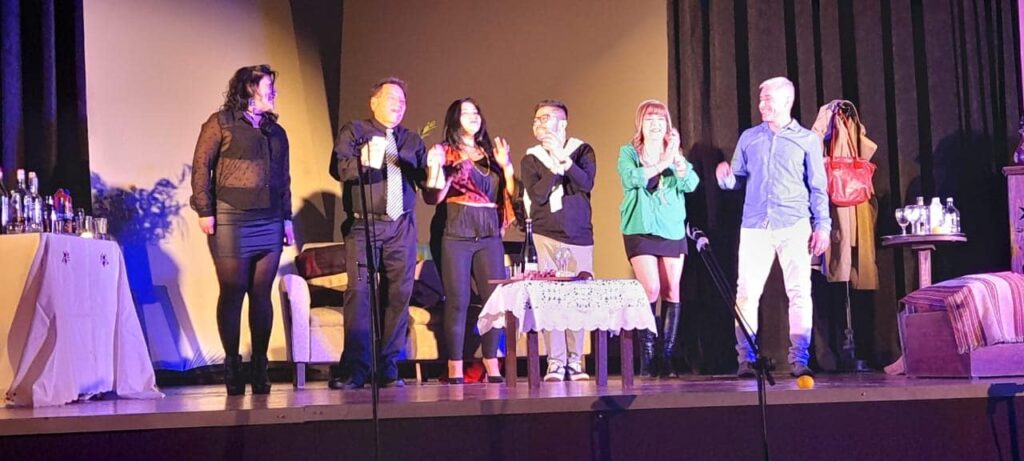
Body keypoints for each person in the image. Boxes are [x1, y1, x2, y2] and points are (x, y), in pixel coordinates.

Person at [715, 76, 831, 378]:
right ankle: (746, 359)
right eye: (760, 98)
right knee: (746, 293)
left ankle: (799, 359)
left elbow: (818, 187)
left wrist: (823, 226)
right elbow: (736, 179)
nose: (761, 104)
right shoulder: (750, 137)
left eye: (768, 99)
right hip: (755, 224)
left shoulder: (806, 140)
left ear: (787, 101)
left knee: (799, 291)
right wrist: (725, 178)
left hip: (794, 223)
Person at [190, 64, 294, 396]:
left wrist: (287, 219)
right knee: (233, 291)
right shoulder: (220, 123)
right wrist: (205, 210)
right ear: (249, 88)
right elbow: (201, 168)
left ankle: (260, 366)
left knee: (261, 293)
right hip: (231, 217)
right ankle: (232, 366)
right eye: (268, 87)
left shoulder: (276, 132)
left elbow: (283, 178)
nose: (274, 93)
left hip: (270, 218)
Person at [328, 77, 428, 389]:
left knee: (398, 294)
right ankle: (356, 369)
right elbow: (338, 169)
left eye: (402, 100)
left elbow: (426, 183)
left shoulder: (411, 140)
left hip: (402, 225)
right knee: (360, 293)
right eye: (391, 98)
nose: (398, 105)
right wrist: (363, 160)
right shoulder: (355, 131)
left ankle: (388, 367)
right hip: (364, 225)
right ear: (374, 102)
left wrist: (437, 170)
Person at [424, 98, 514, 384]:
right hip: (457, 231)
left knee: (494, 300)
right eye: (466, 113)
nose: (473, 116)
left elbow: (509, 194)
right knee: (458, 300)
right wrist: (438, 170)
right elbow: (433, 197)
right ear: (454, 119)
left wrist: (506, 166)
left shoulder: (489, 154)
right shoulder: (444, 152)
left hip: (488, 233)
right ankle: (455, 365)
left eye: (476, 112)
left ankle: (491, 361)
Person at [617, 99, 699, 378]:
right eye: (649, 120)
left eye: (660, 120)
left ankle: (666, 358)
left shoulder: (675, 154)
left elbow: (691, 184)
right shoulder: (629, 152)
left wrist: (679, 163)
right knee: (651, 289)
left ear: (667, 125)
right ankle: (648, 357)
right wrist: (663, 162)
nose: (655, 125)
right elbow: (632, 179)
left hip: (672, 228)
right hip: (640, 227)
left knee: (672, 290)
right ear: (640, 124)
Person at [520, 100, 597, 382]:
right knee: (550, 300)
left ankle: (575, 361)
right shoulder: (531, 158)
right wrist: (553, 163)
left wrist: (565, 160)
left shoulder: (582, 150)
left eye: (546, 118)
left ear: (562, 123)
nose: (539, 123)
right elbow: (538, 195)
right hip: (546, 234)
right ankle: (555, 361)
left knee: (578, 299)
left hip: (578, 235)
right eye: (536, 119)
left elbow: (585, 183)